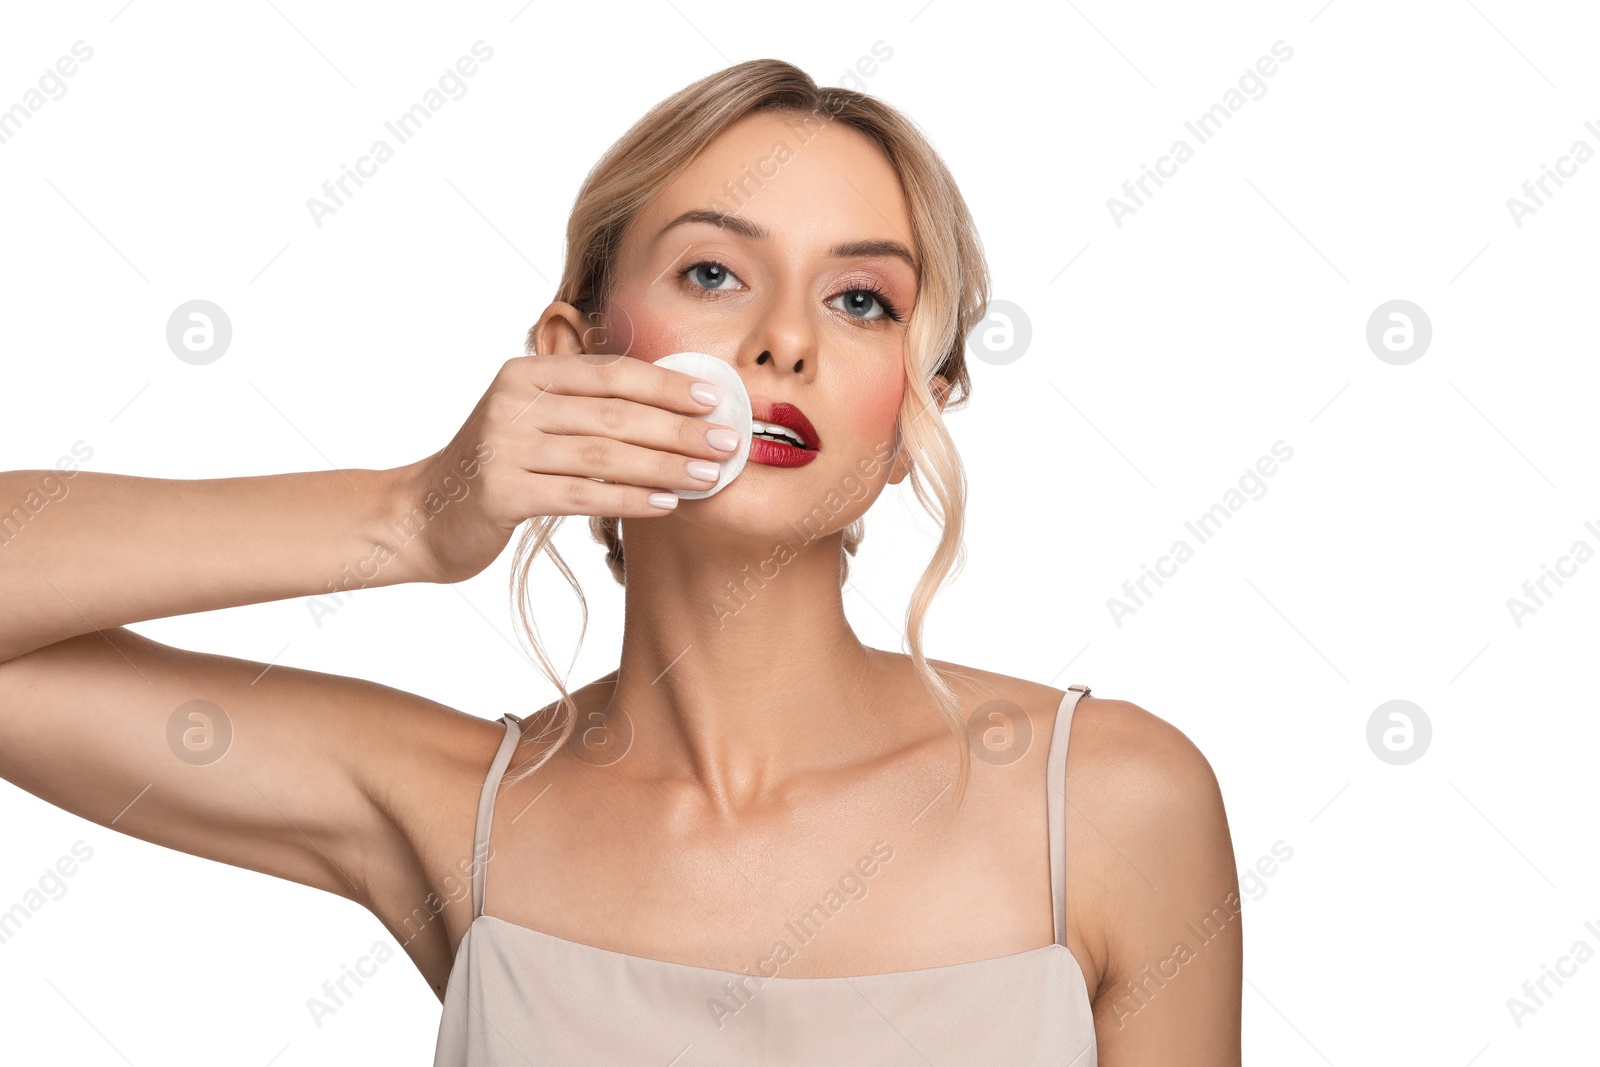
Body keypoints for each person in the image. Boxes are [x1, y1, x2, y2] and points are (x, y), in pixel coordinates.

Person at [0, 58, 1241, 1065]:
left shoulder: (1113, 801)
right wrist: (415, 516)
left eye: (860, 299)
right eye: (712, 273)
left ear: (923, 395)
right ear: (575, 351)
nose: (784, 342)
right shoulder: (451, 812)